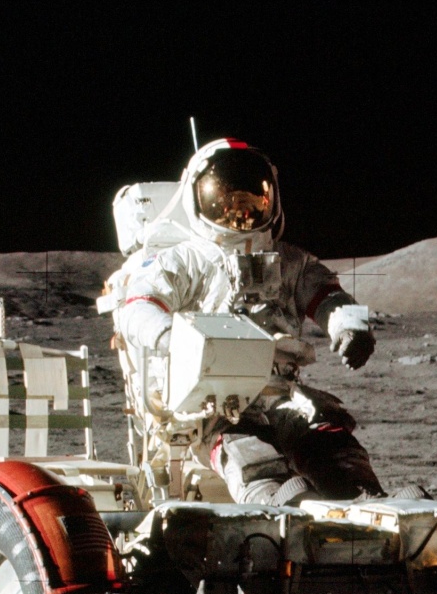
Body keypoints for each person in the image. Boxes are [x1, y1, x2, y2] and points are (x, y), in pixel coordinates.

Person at [111, 138, 382, 504]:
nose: (239, 213)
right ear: (198, 201)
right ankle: (271, 501)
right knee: (250, 451)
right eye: (226, 202)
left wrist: (349, 326)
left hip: (280, 390)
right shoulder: (184, 260)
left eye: (252, 200)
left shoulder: (289, 261)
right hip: (212, 400)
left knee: (327, 437)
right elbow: (139, 305)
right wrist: (166, 336)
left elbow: (327, 295)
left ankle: (364, 499)